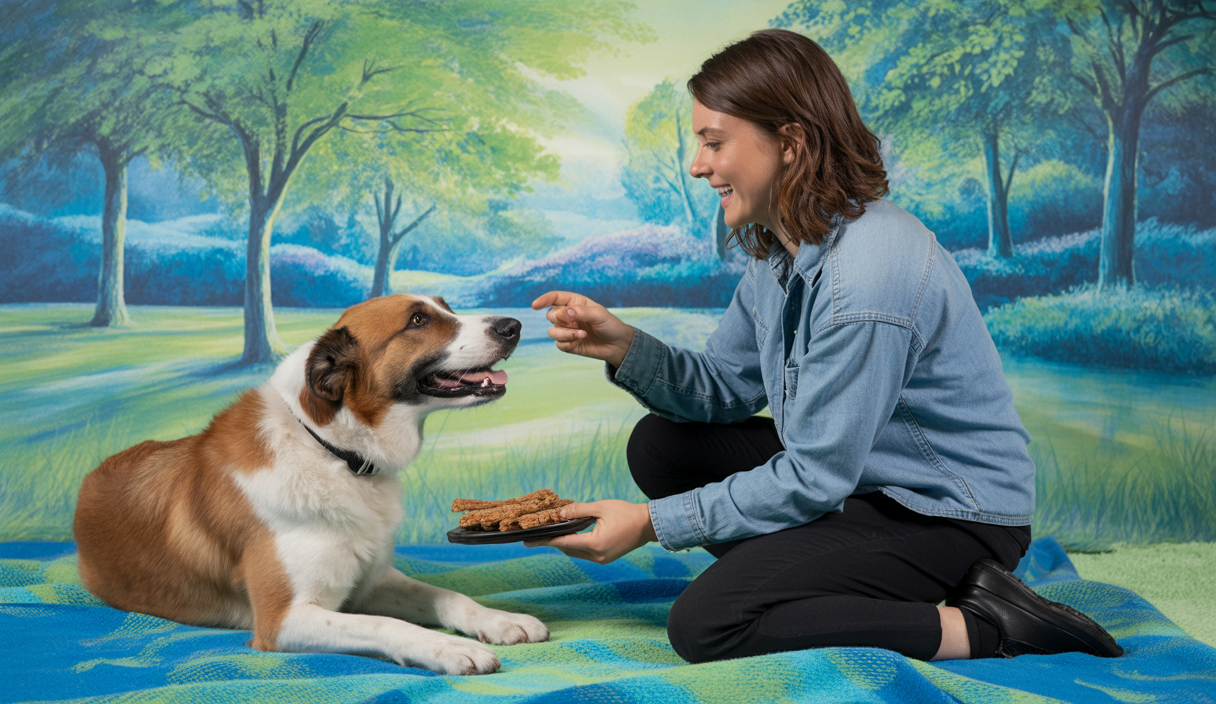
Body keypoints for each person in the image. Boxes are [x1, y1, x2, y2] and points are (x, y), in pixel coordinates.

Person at [526, 29, 1122, 664]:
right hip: (865, 484)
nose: (698, 165)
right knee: (662, 447)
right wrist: (624, 346)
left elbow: (815, 475)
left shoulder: (863, 279)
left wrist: (652, 524)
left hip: (947, 517)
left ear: (790, 143)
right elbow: (728, 388)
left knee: (706, 624)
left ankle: (989, 625)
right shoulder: (783, 246)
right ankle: (812, 578)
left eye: (713, 143)